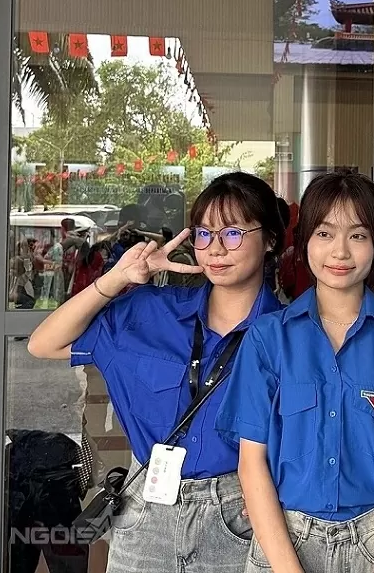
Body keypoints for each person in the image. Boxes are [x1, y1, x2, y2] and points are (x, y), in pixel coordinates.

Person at [25, 172, 286, 573]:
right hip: (147, 515)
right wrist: (114, 280)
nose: (215, 249)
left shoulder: (292, 334)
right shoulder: (150, 312)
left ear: (269, 239)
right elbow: (44, 344)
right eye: (204, 233)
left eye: (232, 233)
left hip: (241, 519)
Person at [215, 171, 374, 573]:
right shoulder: (268, 338)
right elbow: (252, 463)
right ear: (304, 244)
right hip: (284, 538)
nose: (340, 252)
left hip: (373, 539)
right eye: (325, 234)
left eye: (358, 235)